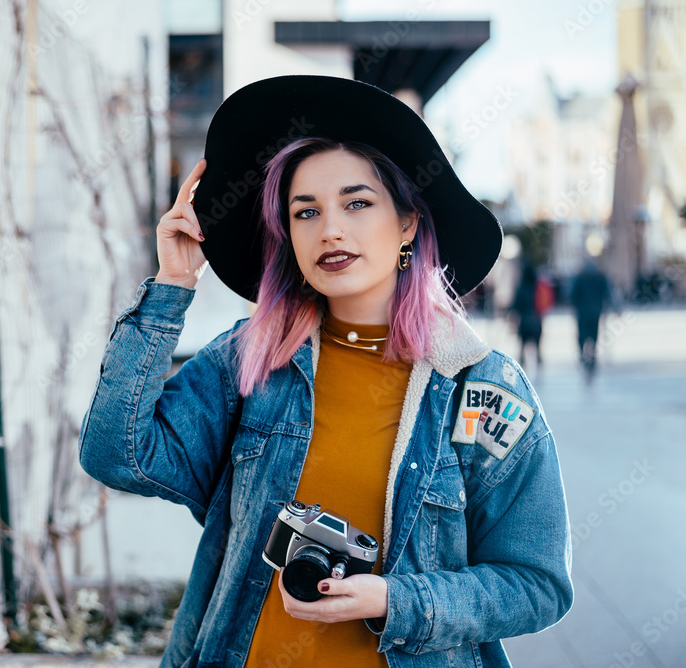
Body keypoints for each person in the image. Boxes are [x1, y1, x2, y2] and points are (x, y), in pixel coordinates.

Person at [79, 75, 572, 668]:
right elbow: (116, 454)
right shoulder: (253, 361)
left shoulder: (483, 390)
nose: (330, 229)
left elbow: (536, 583)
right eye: (305, 211)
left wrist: (398, 600)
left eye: (357, 203)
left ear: (409, 223)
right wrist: (171, 286)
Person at [570, 258, 614, 380]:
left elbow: (572, 295)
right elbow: (608, 294)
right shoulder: (600, 277)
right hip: (595, 313)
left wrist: (576, 305)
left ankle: (583, 358)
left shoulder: (580, 277)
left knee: (582, 337)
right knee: (593, 337)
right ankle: (592, 360)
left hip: (582, 313)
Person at [509, 262, 545, 368]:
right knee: (537, 347)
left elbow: (515, 306)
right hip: (536, 321)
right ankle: (538, 365)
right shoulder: (537, 288)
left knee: (522, 347)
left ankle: (522, 367)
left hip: (524, 322)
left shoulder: (521, 288)